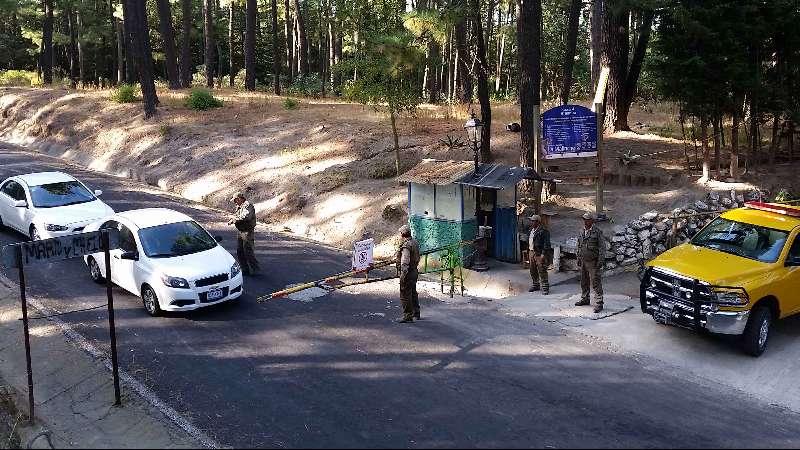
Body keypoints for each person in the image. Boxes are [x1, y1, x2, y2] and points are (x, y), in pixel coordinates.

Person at [576, 212, 605, 313]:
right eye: (584, 219)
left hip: (593, 261)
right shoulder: (581, 230)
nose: (585, 221)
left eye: (587, 219)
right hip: (583, 260)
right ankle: (585, 298)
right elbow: (579, 244)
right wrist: (578, 257)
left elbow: (602, 248)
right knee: (584, 281)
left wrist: (600, 261)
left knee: (595, 282)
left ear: (592, 221)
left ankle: (599, 302)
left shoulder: (597, 232)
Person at [228, 191, 261, 276]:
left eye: (235, 200)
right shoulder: (239, 206)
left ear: (239, 199)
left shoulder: (248, 205)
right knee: (240, 251)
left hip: (247, 231)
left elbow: (246, 216)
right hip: (240, 231)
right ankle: (244, 269)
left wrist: (235, 219)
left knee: (248, 251)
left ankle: (254, 269)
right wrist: (233, 219)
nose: (235, 202)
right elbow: (238, 215)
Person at [396, 225, 421, 323]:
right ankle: (416, 312)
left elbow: (405, 261)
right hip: (414, 271)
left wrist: (403, 275)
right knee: (413, 292)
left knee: (405, 294)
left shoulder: (406, 246)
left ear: (402, 234)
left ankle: (407, 315)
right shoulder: (414, 242)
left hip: (408, 272)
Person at [528, 215, 551, 295]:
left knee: (542, 270)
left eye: (533, 221)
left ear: (538, 222)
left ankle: (545, 287)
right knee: (532, 270)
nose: (531, 222)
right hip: (531, 252)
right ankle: (536, 285)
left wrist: (543, 254)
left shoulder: (543, 231)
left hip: (539, 253)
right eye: (531, 221)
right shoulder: (531, 230)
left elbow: (547, 244)